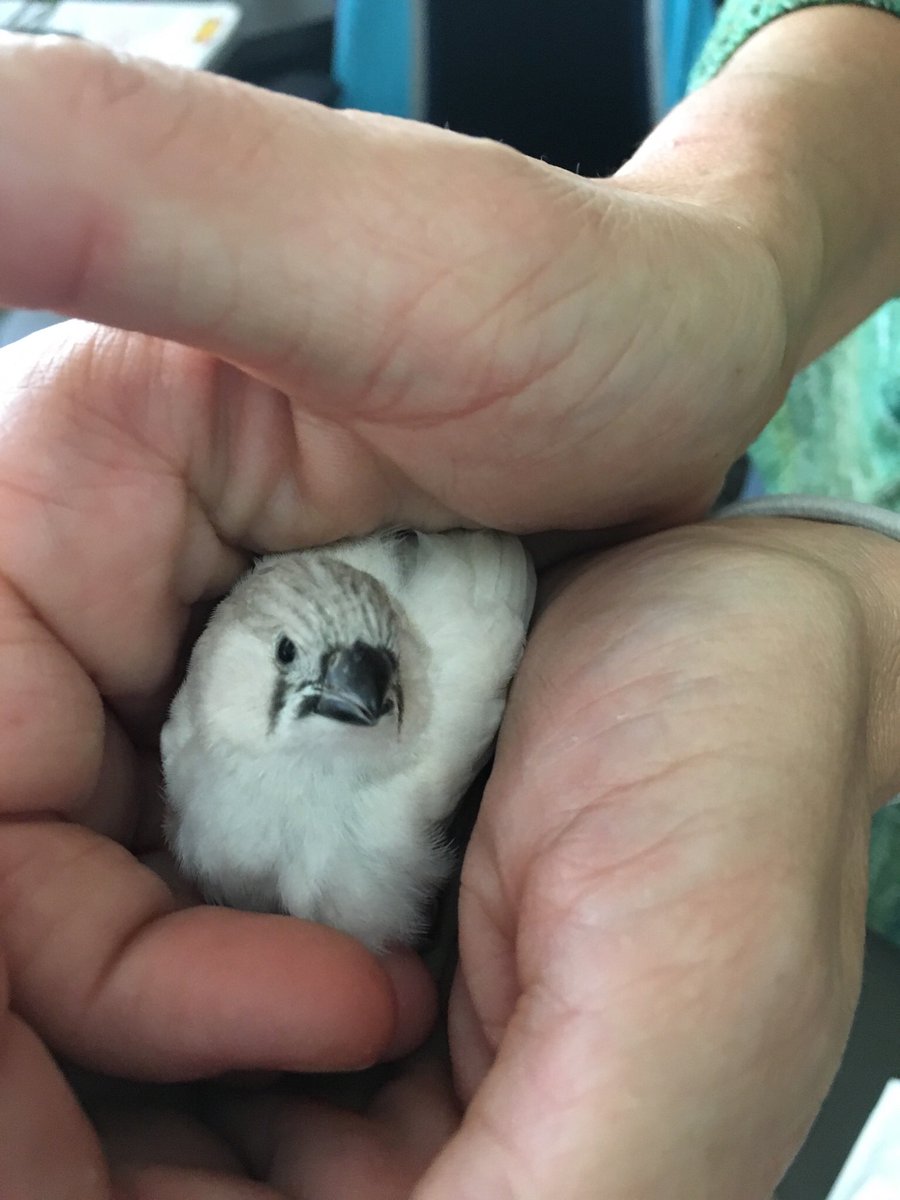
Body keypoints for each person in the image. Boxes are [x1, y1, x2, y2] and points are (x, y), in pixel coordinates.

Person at [0, 2, 899, 1195]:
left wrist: (826, 617)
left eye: (359, 680)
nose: (347, 696)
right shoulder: (214, 743)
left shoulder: (421, 747)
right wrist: (755, 252)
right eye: (301, 668)